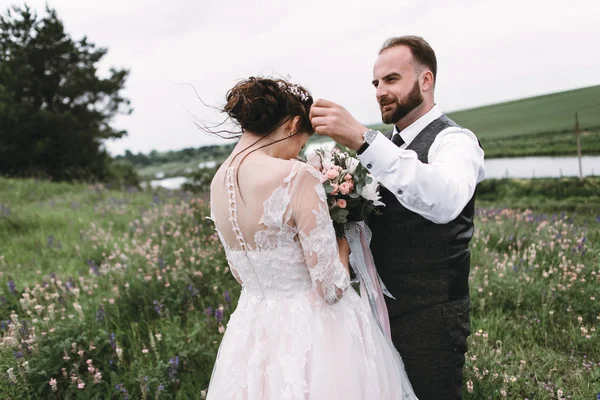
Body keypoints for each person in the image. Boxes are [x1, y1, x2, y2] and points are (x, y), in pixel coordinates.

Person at [205, 77, 417, 399]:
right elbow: (330, 288)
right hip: (316, 337)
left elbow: (240, 273)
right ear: (292, 125)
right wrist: (343, 244)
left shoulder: (218, 181)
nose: (298, 154)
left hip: (253, 331)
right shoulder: (296, 177)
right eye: (302, 144)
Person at [309, 36, 486, 399]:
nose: (380, 91)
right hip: (373, 311)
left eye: (391, 79)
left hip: (432, 318)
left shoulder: (455, 142)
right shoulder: (381, 149)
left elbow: (444, 200)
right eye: (376, 83)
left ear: (426, 80)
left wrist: (362, 139)